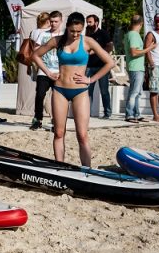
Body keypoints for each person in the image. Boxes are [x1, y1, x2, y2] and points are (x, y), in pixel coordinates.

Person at [32, 12, 115, 166]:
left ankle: (87, 171)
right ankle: (60, 167)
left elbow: (110, 62)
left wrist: (90, 79)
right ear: (67, 28)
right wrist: (48, 72)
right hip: (60, 90)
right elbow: (36, 55)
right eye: (72, 31)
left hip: (80, 91)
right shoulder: (57, 40)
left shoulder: (88, 42)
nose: (76, 34)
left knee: (82, 135)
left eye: (79, 31)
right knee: (58, 133)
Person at [30, 11, 63, 130]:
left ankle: (56, 121)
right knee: (40, 95)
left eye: (56, 22)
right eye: (52, 21)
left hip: (59, 71)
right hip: (44, 70)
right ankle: (37, 119)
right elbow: (36, 51)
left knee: (57, 97)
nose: (53, 24)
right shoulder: (43, 34)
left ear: (61, 21)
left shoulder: (64, 36)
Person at [123, 14, 152, 123]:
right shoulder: (134, 35)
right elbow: (134, 52)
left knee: (138, 92)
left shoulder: (129, 34)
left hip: (135, 67)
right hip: (135, 67)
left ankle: (136, 114)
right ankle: (129, 114)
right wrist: (149, 48)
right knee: (134, 92)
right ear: (141, 24)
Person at [86, 14, 114, 119]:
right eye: (87, 22)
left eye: (90, 22)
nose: (88, 24)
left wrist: (100, 53)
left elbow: (110, 46)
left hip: (102, 66)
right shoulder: (86, 35)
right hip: (89, 66)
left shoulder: (103, 33)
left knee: (104, 91)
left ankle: (107, 113)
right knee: (87, 91)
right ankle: (86, 113)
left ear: (96, 22)